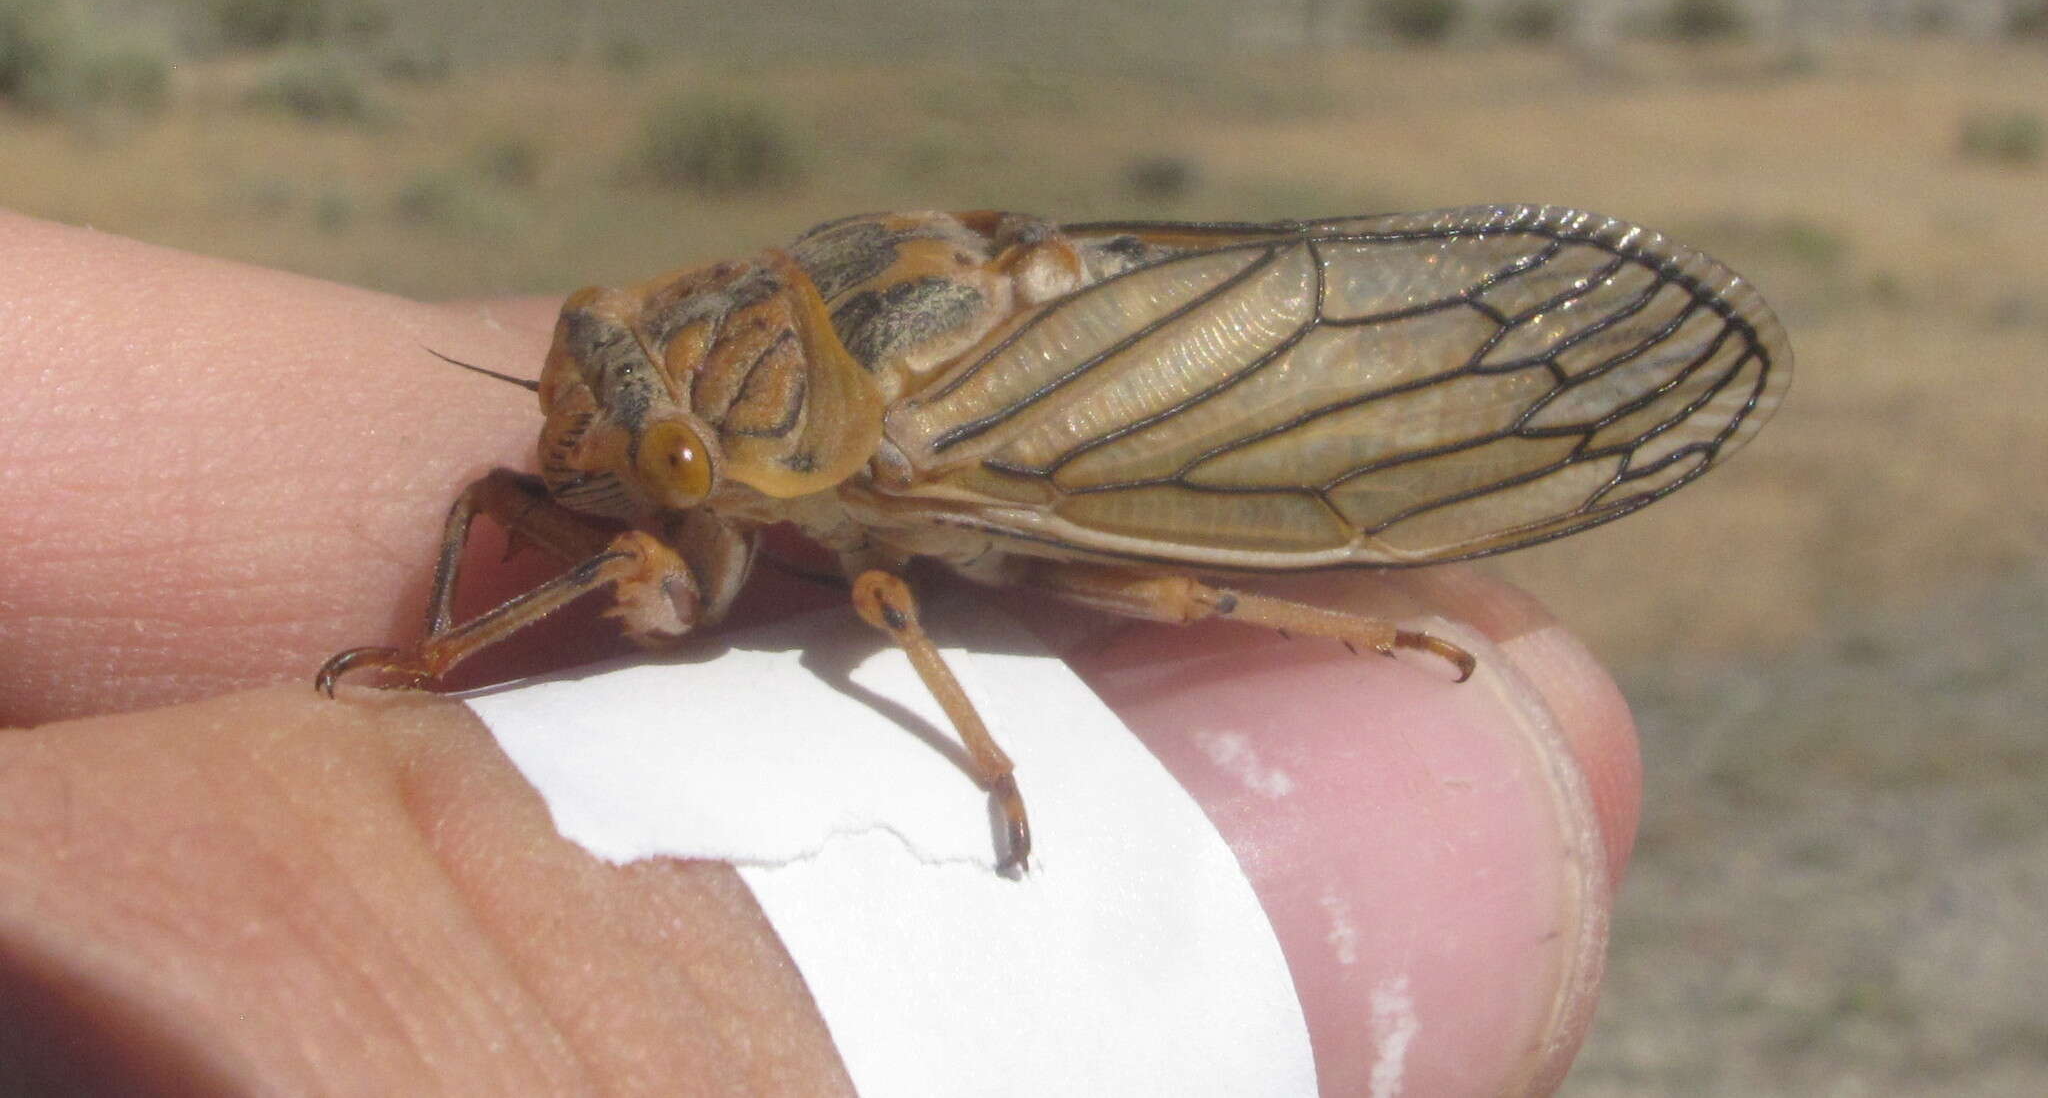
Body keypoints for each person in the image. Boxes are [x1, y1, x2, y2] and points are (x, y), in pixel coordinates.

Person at [0, 211, 1639, 1095]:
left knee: (1165, 595)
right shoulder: (689, 421)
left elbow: (884, 600)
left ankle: (1335, 628)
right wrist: (439, 645)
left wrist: (996, 760)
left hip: (1088, 419)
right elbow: (537, 501)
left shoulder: (878, 471)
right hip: (936, 323)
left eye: (677, 463)